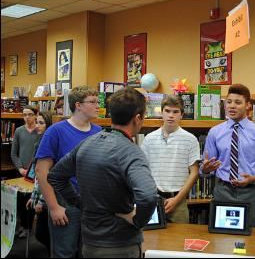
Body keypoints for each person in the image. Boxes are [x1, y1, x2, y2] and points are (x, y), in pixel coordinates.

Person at [47, 87, 157, 258]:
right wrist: (138, 221)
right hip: (120, 245)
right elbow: (148, 196)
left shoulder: (87, 144)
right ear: (137, 118)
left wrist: (79, 203)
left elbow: (55, 176)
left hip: (90, 243)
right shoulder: (131, 152)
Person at [35, 86, 101, 258]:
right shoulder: (55, 131)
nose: (98, 105)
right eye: (93, 102)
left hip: (91, 202)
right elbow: (42, 172)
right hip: (65, 201)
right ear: (78, 105)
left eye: (97, 101)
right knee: (64, 253)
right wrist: (54, 207)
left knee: (88, 252)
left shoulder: (98, 132)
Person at [201, 84, 255, 227]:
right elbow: (206, 167)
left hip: (250, 192)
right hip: (222, 190)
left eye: (238, 102)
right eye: (229, 102)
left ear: (248, 105)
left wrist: (254, 178)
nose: (232, 106)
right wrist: (205, 169)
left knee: (250, 238)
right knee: (220, 236)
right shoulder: (215, 132)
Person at [141, 95, 200, 223]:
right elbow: (143, 171)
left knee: (179, 240)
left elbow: (194, 173)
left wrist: (177, 200)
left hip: (178, 200)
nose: (171, 115)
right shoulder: (149, 139)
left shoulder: (190, 139)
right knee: (152, 240)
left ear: (181, 115)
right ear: (161, 113)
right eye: (167, 111)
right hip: (153, 199)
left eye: (175, 112)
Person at [26, 111, 53, 254]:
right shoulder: (39, 141)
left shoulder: (47, 142)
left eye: (41, 123)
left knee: (44, 235)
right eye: (36, 122)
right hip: (41, 194)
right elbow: (37, 175)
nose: (37, 126)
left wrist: (41, 201)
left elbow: (47, 176)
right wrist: (33, 197)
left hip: (49, 198)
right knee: (42, 234)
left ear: (49, 125)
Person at [11, 105, 40, 238]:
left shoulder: (40, 131)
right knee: (19, 201)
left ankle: (28, 227)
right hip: (21, 172)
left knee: (30, 200)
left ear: (35, 115)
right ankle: (20, 225)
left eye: (29, 114)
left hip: (35, 173)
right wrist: (20, 168)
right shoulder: (19, 131)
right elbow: (14, 154)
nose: (27, 117)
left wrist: (32, 170)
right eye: (24, 115)